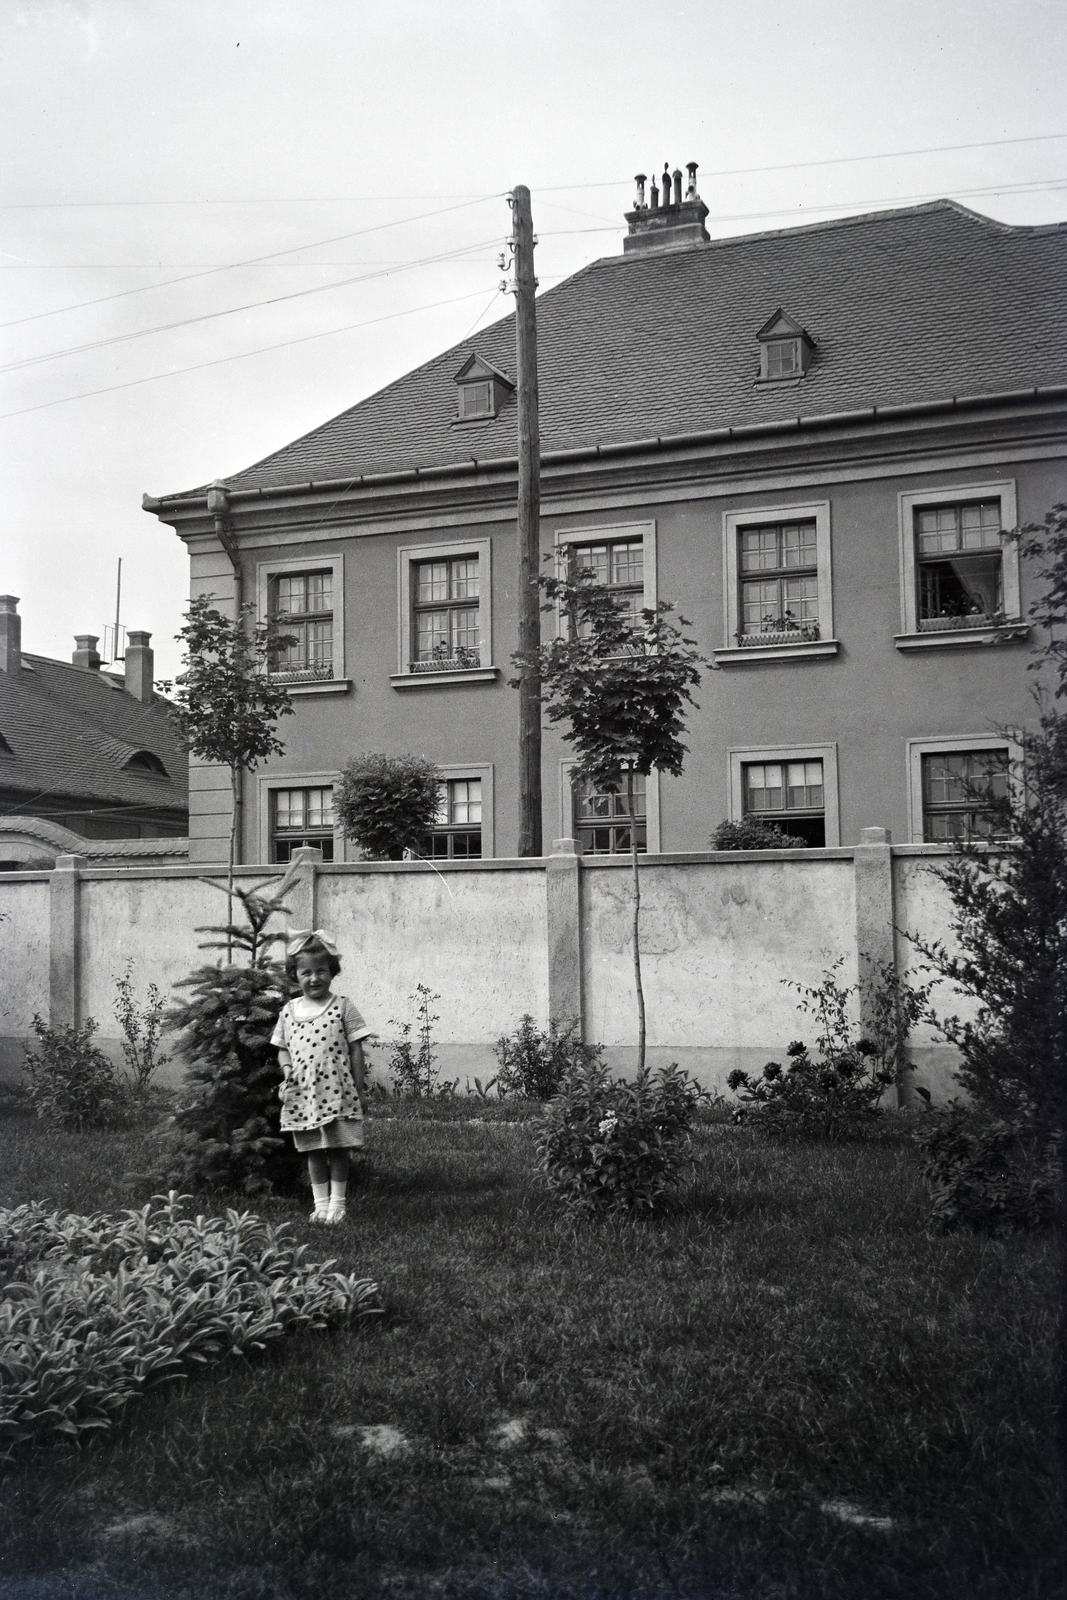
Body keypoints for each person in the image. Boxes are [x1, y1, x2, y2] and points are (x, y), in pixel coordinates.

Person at [271, 930, 372, 1225]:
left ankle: (338, 1204)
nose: (314, 978)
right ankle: (320, 1205)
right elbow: (282, 1050)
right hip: (304, 1092)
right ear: (295, 975)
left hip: (338, 1090)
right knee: (313, 1148)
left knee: (339, 1147)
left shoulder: (343, 1006)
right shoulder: (289, 1011)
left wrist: (358, 1087)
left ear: (332, 972)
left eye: (321, 971)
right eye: (306, 973)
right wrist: (288, 1071)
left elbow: (356, 1049)